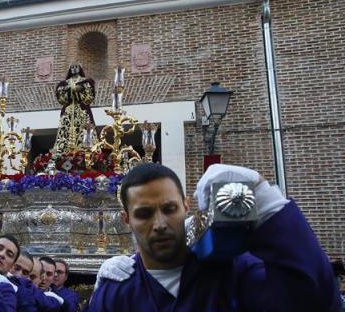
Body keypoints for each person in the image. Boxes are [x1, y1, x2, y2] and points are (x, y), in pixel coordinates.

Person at [88, 163, 341, 311]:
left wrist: (264, 197)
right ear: (126, 220)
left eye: (169, 209)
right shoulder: (115, 293)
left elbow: (312, 298)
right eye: (144, 214)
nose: (160, 224)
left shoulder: (234, 272)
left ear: (186, 207)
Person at [51, 64, 96, 155]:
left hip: (82, 111)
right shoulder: (65, 83)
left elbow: (89, 98)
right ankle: (62, 151)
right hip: (68, 111)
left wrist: (80, 90)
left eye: (76, 67)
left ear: (80, 69)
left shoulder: (85, 81)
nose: (74, 69)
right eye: (72, 67)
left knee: (85, 131)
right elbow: (61, 98)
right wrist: (68, 89)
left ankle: (87, 151)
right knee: (65, 132)